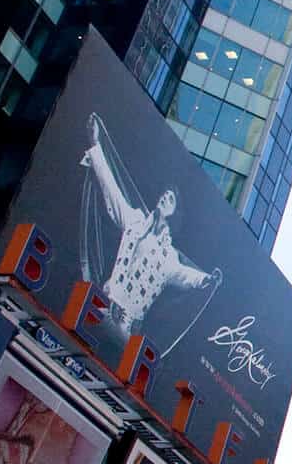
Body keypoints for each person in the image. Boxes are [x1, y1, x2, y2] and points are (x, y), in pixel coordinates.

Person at [82, 113, 219, 335]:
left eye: (171, 198)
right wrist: (96, 144)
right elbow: (112, 190)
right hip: (101, 304)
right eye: (165, 193)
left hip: (125, 329)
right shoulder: (135, 221)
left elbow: (186, 276)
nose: (165, 197)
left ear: (175, 213)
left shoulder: (169, 258)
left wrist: (206, 280)